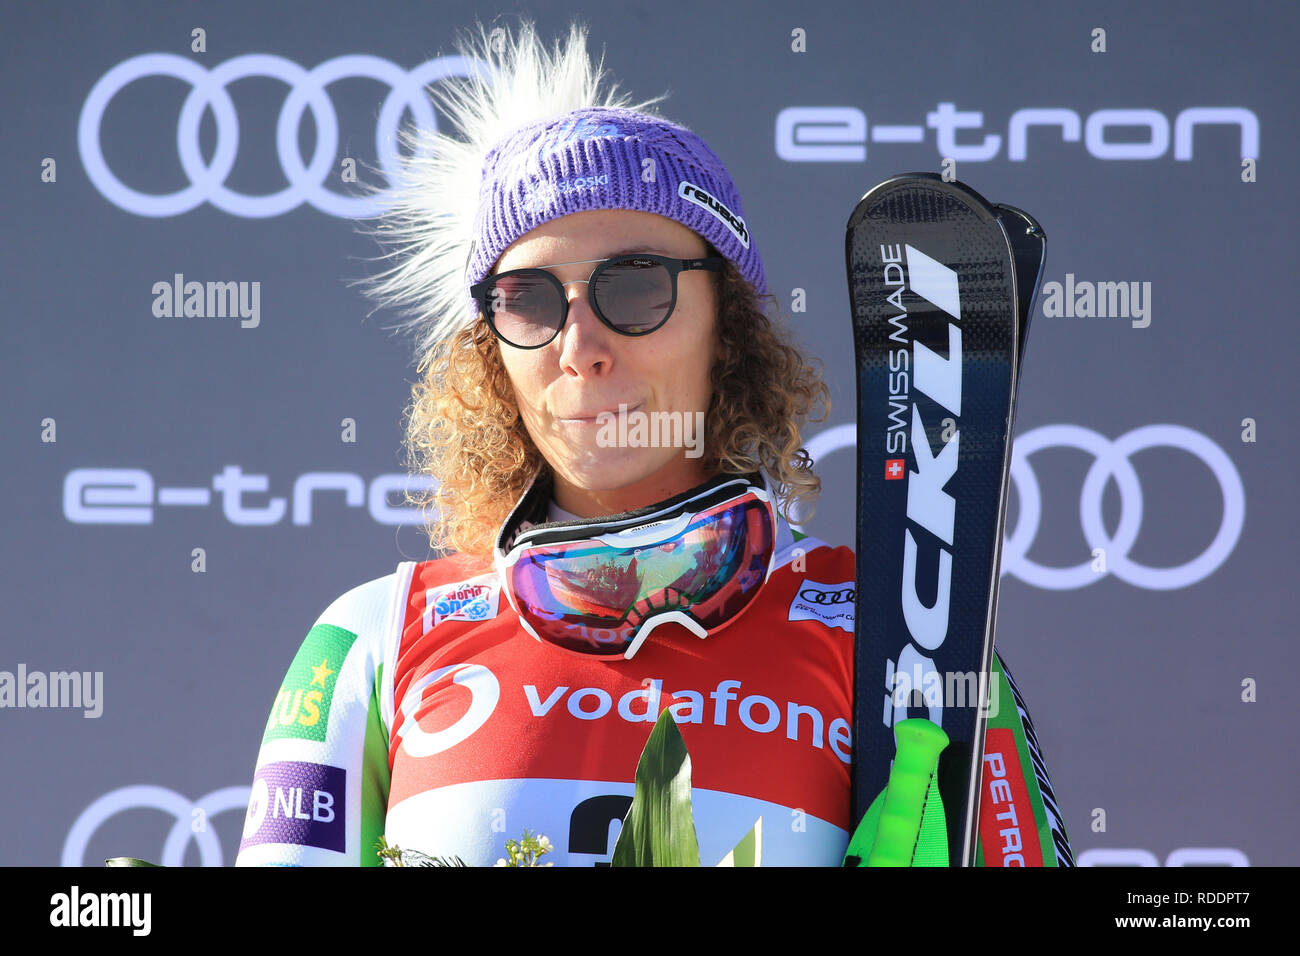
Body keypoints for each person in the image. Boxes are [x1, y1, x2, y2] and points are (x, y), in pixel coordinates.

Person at [234, 20, 1072, 867]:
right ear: (490, 351)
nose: (579, 346)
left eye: (634, 286)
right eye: (528, 300)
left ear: (731, 326)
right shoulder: (376, 640)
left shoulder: (904, 640)